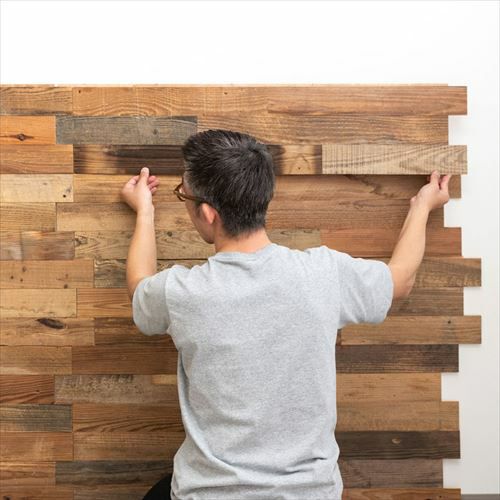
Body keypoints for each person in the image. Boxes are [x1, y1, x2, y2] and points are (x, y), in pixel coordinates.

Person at [120, 129, 452, 500]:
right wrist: (422, 206)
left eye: (184, 195)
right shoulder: (324, 274)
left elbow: (138, 286)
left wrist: (144, 211)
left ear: (209, 213)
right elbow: (400, 280)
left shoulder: (180, 292)